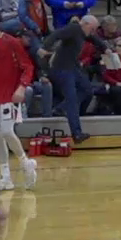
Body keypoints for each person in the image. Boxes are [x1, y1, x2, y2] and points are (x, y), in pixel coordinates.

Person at [0, 18, 38, 192]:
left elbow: (28, 67)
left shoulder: (12, 42)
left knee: (6, 131)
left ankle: (26, 163)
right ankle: (5, 177)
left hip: (9, 95)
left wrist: (21, 87)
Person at [42, 15, 94, 145]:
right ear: (86, 24)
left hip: (72, 68)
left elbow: (94, 38)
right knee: (72, 99)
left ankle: (60, 108)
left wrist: (106, 48)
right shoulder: (74, 29)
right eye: (92, 29)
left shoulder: (83, 33)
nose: (92, 32)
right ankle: (76, 133)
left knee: (87, 89)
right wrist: (45, 46)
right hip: (62, 68)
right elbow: (56, 34)